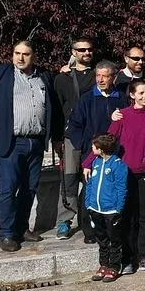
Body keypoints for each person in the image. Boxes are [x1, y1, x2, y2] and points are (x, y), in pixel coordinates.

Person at [0, 41, 64, 252]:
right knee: (9, 189)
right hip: (12, 142)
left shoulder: (43, 77)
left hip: (35, 142)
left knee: (29, 188)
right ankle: (7, 234)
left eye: (25, 54)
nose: (20, 58)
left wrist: (55, 136)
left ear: (33, 56)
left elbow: (53, 109)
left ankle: (21, 228)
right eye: (17, 53)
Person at [101, 79, 145, 273]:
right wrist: (90, 162)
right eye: (140, 93)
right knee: (127, 216)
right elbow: (108, 141)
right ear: (132, 95)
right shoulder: (123, 115)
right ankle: (128, 258)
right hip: (125, 174)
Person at [63, 60, 128, 243]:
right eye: (98, 75)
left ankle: (112, 228)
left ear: (113, 77)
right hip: (91, 155)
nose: (100, 79)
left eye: (105, 76)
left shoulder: (121, 98)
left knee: (113, 191)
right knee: (89, 191)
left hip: (115, 155)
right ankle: (89, 232)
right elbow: (74, 126)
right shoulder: (86, 99)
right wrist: (85, 146)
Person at [54, 37, 97, 241]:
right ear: (73, 52)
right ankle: (64, 220)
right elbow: (56, 109)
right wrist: (56, 137)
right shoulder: (62, 79)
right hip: (70, 136)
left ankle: (88, 220)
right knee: (69, 178)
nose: (86, 53)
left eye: (89, 50)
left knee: (91, 179)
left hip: (93, 136)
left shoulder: (99, 76)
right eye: (81, 50)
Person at [84, 133, 128, 282]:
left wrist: (118, 208)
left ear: (101, 149)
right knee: (101, 239)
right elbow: (89, 185)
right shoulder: (95, 163)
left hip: (111, 211)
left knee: (114, 239)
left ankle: (115, 266)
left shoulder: (118, 165)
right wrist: (88, 203)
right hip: (96, 209)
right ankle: (103, 264)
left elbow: (121, 188)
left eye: (94, 147)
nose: (91, 149)